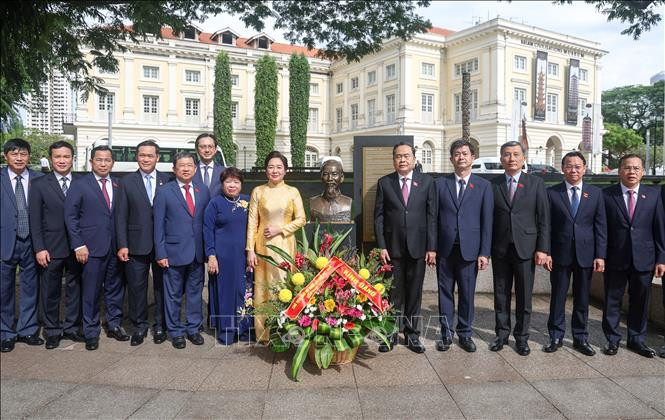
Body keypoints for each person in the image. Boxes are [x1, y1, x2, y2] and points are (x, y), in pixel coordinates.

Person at [374, 142, 437, 353]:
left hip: (419, 248)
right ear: (394, 160)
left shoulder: (427, 182)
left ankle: (412, 335)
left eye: (406, 156)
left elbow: (432, 217)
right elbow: (379, 218)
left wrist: (431, 248)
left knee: (414, 294)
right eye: (398, 156)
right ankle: (389, 334)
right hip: (392, 249)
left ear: (414, 159)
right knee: (393, 294)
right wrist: (382, 246)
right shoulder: (385, 183)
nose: (402, 159)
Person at [64, 145, 127, 351]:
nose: (103, 164)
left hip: (115, 247)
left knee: (115, 289)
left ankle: (114, 324)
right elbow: (71, 217)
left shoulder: (118, 184)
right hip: (90, 248)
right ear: (91, 162)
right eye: (99, 160)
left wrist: (123, 245)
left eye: (107, 160)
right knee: (91, 291)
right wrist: (78, 244)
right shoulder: (80, 184)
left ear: (112, 163)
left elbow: (120, 216)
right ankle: (91, 331)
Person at [490, 141, 550, 356]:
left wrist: (543, 249)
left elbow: (544, 219)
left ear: (523, 158)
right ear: (501, 159)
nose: (511, 158)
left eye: (516, 154)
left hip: (526, 247)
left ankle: (522, 338)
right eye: (507, 154)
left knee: (524, 296)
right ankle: (501, 334)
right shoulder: (493, 184)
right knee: (501, 294)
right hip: (500, 248)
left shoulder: (535, 183)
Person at [543, 151, 606, 356]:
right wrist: (547, 252)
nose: (573, 170)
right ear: (563, 168)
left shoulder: (595, 193)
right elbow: (547, 226)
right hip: (559, 254)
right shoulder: (552, 193)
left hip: (586, 254)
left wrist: (600, 255)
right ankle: (555, 336)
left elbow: (600, 227)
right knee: (558, 297)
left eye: (578, 166)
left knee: (582, 299)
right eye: (569, 166)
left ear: (584, 169)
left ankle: (580, 338)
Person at [601, 154, 665, 358]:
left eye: (636, 168)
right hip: (615, 257)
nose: (632, 172)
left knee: (640, 301)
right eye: (627, 168)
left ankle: (637, 339)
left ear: (643, 172)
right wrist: (600, 256)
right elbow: (602, 229)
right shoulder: (606, 195)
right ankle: (612, 340)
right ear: (619, 171)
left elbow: (659, 228)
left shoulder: (653, 195)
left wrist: (661, 258)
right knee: (612, 300)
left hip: (644, 258)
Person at [434, 140, 492, 353]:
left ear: (473, 157)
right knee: (445, 294)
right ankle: (446, 334)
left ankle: (465, 333)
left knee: (467, 294)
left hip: (470, 251)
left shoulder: (483, 186)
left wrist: (484, 252)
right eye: (457, 154)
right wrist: (432, 248)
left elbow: (487, 222)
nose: (461, 157)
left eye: (465, 153)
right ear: (451, 159)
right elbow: (433, 219)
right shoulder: (440, 184)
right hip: (445, 249)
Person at [115, 140, 172, 346]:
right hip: (135, 244)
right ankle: (139, 326)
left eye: (150, 155)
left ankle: (160, 325)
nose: (146, 159)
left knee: (161, 287)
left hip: (162, 244)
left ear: (157, 157)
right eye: (142, 155)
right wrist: (122, 244)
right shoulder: (127, 182)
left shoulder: (168, 180)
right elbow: (120, 215)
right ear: (137, 157)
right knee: (137, 288)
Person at [29, 141, 84, 349]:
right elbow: (35, 219)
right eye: (57, 157)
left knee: (75, 289)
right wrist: (39, 248)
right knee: (50, 291)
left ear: (72, 158)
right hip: (50, 247)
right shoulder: (40, 184)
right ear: (51, 159)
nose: (62, 160)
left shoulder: (82, 182)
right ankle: (52, 330)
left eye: (66, 156)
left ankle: (71, 327)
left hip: (77, 247)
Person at [246, 151, 306, 342]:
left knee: (283, 284)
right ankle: (264, 333)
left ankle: (287, 332)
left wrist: (281, 229)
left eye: (279, 167)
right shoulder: (258, 191)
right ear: (266, 170)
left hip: (285, 245)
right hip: (262, 246)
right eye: (271, 167)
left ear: (285, 170)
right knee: (263, 287)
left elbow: (302, 219)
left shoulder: (292, 191)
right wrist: (250, 249)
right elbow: (252, 222)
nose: (275, 170)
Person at [154, 152, 210, 349]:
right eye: (181, 165)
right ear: (174, 169)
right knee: (173, 294)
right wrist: (160, 253)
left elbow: (205, 223)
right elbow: (158, 225)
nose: (186, 169)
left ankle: (193, 328)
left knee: (195, 293)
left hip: (197, 252)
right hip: (173, 252)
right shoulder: (164, 192)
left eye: (189, 165)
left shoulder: (203, 190)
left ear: (195, 168)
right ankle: (176, 331)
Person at [1, 138, 44, 352]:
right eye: (14, 154)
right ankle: (5, 332)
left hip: (32, 242)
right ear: (5, 156)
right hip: (5, 241)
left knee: (31, 288)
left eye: (23, 154)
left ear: (29, 156)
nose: (19, 158)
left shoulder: (39, 179)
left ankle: (27, 329)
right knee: (4, 290)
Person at [204, 167, 252, 345]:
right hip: (222, 258)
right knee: (224, 293)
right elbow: (207, 230)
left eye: (236, 182)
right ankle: (227, 331)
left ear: (241, 184)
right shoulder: (215, 203)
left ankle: (244, 329)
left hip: (244, 256)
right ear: (222, 184)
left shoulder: (248, 201)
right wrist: (211, 255)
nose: (232, 185)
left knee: (244, 291)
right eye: (228, 181)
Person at [309, 158, 353, 223]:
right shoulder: (313, 202)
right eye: (325, 174)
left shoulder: (349, 202)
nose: (330, 178)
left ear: (342, 177)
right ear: (321, 177)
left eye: (334, 174)